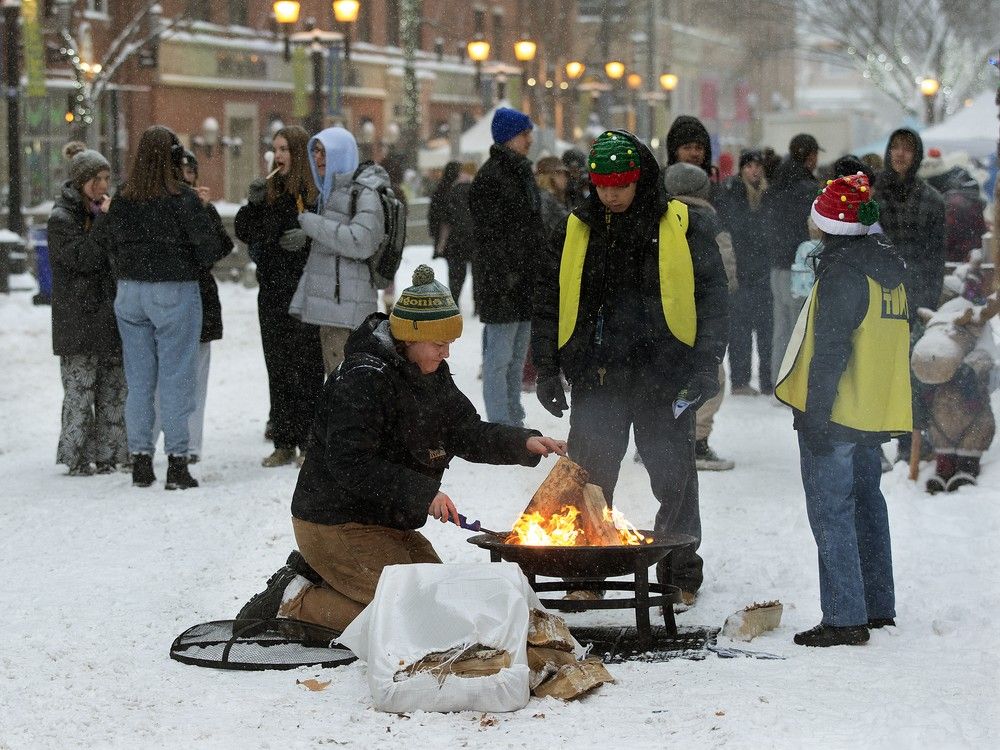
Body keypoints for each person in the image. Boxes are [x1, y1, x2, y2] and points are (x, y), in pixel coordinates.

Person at [235, 266, 567, 631]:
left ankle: (330, 579)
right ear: (410, 336)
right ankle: (294, 600)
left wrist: (523, 442)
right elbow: (351, 463)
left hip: (386, 521)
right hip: (336, 522)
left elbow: (466, 431)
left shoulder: (428, 372)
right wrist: (423, 493)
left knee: (442, 603)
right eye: (438, 344)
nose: (446, 354)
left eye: (449, 344)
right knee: (414, 621)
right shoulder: (364, 379)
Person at [533, 130, 729, 606]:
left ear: (641, 181)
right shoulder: (575, 228)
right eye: (602, 186)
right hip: (598, 378)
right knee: (592, 475)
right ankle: (589, 566)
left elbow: (713, 301)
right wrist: (547, 366)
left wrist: (706, 365)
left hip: (664, 377)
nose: (611, 195)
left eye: (620, 185)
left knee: (673, 476)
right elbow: (548, 299)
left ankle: (680, 568)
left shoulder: (681, 226)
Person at [775, 172, 910, 647]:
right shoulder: (887, 270)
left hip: (837, 413)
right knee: (868, 504)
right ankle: (876, 603)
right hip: (873, 409)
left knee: (831, 511)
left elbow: (830, 350)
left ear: (828, 224)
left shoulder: (844, 274)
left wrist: (815, 414)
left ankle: (845, 617)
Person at [106, 125, 225, 489]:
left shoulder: (124, 198)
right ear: (175, 157)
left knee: (139, 381)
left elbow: (108, 242)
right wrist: (206, 212)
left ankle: (140, 460)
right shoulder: (183, 199)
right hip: (174, 290)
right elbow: (213, 250)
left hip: (130, 292)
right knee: (176, 378)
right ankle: (177, 462)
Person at [235, 125, 324, 468]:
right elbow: (248, 232)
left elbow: (327, 233)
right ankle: (284, 439)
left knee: (308, 365)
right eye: (276, 149)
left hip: (305, 289)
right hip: (273, 290)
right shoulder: (269, 191)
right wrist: (252, 204)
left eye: (285, 149)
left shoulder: (313, 192)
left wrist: (308, 236)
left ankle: (309, 440)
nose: (279, 155)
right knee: (279, 365)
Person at [47, 146, 128, 475]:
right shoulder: (61, 218)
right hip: (77, 320)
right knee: (80, 394)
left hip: (110, 316)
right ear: (80, 181)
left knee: (112, 392)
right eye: (95, 179)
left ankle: (109, 454)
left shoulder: (105, 214)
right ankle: (76, 456)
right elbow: (83, 259)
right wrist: (107, 222)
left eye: (107, 178)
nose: (102, 185)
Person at [151, 150, 233, 464]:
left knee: (196, 374)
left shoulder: (200, 209)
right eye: (181, 173)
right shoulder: (160, 208)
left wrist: (205, 212)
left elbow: (220, 248)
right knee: (162, 375)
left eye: (191, 173)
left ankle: (191, 442)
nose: (187, 180)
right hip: (170, 298)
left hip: (202, 297)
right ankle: (151, 438)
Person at [469, 107, 547, 426]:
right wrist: (507, 271)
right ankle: (500, 423)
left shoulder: (521, 173)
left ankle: (513, 418)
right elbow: (489, 235)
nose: (529, 139)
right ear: (507, 137)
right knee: (499, 358)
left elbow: (530, 227)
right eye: (523, 134)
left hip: (523, 279)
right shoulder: (491, 177)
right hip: (501, 282)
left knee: (516, 358)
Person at [664, 114, 733, 471]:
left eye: (698, 147)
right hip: (673, 302)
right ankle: (669, 437)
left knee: (705, 371)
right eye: (687, 146)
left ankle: (694, 437)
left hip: (700, 300)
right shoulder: (656, 195)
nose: (693, 152)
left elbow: (725, 256)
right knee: (688, 372)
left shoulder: (715, 193)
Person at [290, 126, 387, 377]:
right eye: (315, 152)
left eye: (324, 152)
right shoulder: (330, 193)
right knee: (339, 391)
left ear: (342, 154)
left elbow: (362, 241)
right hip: (332, 311)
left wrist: (313, 224)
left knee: (347, 392)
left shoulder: (363, 191)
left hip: (348, 314)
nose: (318, 158)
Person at [873, 128, 946, 464]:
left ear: (916, 155)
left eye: (907, 148)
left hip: (914, 294)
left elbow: (935, 257)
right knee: (877, 369)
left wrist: (926, 302)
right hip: (876, 294)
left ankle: (909, 438)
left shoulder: (931, 199)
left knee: (909, 372)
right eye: (895, 148)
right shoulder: (872, 196)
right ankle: (872, 440)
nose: (900, 154)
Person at [765, 133, 821, 386]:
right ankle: (795, 384)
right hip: (802, 267)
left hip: (776, 266)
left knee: (781, 330)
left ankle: (779, 381)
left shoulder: (775, 184)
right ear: (810, 157)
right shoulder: (810, 189)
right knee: (801, 329)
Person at [718, 149, 772, 397]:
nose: (754, 170)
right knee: (739, 330)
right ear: (742, 169)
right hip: (740, 272)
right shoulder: (733, 194)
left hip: (762, 271)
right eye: (749, 166)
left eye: (757, 165)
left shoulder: (768, 195)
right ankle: (740, 380)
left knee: (766, 329)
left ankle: (767, 380)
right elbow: (733, 230)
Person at [437, 162, 477, 307]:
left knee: (456, 274)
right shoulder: (477, 190)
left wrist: (441, 244)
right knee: (477, 274)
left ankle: (454, 300)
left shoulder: (451, 191)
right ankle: (477, 304)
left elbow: (445, 219)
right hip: (474, 238)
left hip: (456, 240)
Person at [428, 161, 460, 259]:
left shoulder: (441, 188)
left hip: (446, 231)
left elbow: (433, 212)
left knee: (453, 264)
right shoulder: (458, 188)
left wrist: (433, 229)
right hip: (457, 232)